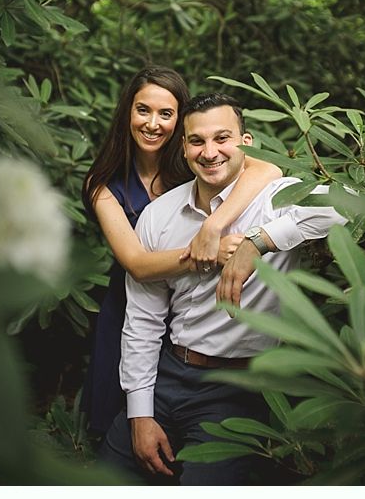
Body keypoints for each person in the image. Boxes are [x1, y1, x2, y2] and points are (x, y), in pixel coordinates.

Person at [99, 92, 346, 484]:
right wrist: (140, 413)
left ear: (245, 143)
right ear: (183, 147)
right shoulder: (159, 216)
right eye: (197, 141)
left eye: (222, 138)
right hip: (168, 373)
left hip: (239, 386)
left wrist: (260, 240)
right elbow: (143, 322)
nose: (209, 151)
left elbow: (347, 207)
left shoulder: (277, 198)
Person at [81, 66, 290, 436]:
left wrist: (213, 225)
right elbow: (138, 265)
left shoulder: (199, 160)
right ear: (127, 112)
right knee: (126, 417)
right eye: (143, 110)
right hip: (135, 303)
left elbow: (267, 170)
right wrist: (208, 250)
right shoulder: (103, 184)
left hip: (200, 315)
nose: (153, 123)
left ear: (179, 122)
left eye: (166, 114)